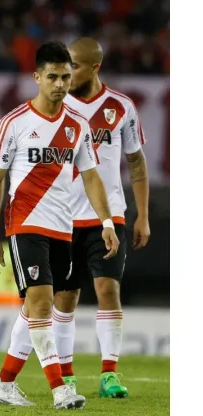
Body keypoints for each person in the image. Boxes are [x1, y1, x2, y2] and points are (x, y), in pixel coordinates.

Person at [0, 41, 119, 409]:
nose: (60, 83)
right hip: (25, 223)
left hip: (63, 228)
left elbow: (91, 177)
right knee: (42, 303)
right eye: (53, 76)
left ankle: (4, 383)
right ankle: (61, 389)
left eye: (66, 75)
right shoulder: (14, 122)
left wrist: (106, 220)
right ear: (37, 77)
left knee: (34, 308)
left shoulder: (77, 126)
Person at [51, 37, 149, 398]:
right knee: (65, 298)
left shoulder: (121, 107)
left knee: (108, 289)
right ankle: (66, 374)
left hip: (109, 216)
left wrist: (143, 216)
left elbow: (136, 163)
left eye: (73, 66)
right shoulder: (56, 106)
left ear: (94, 68)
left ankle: (109, 373)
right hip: (62, 217)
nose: (66, 73)